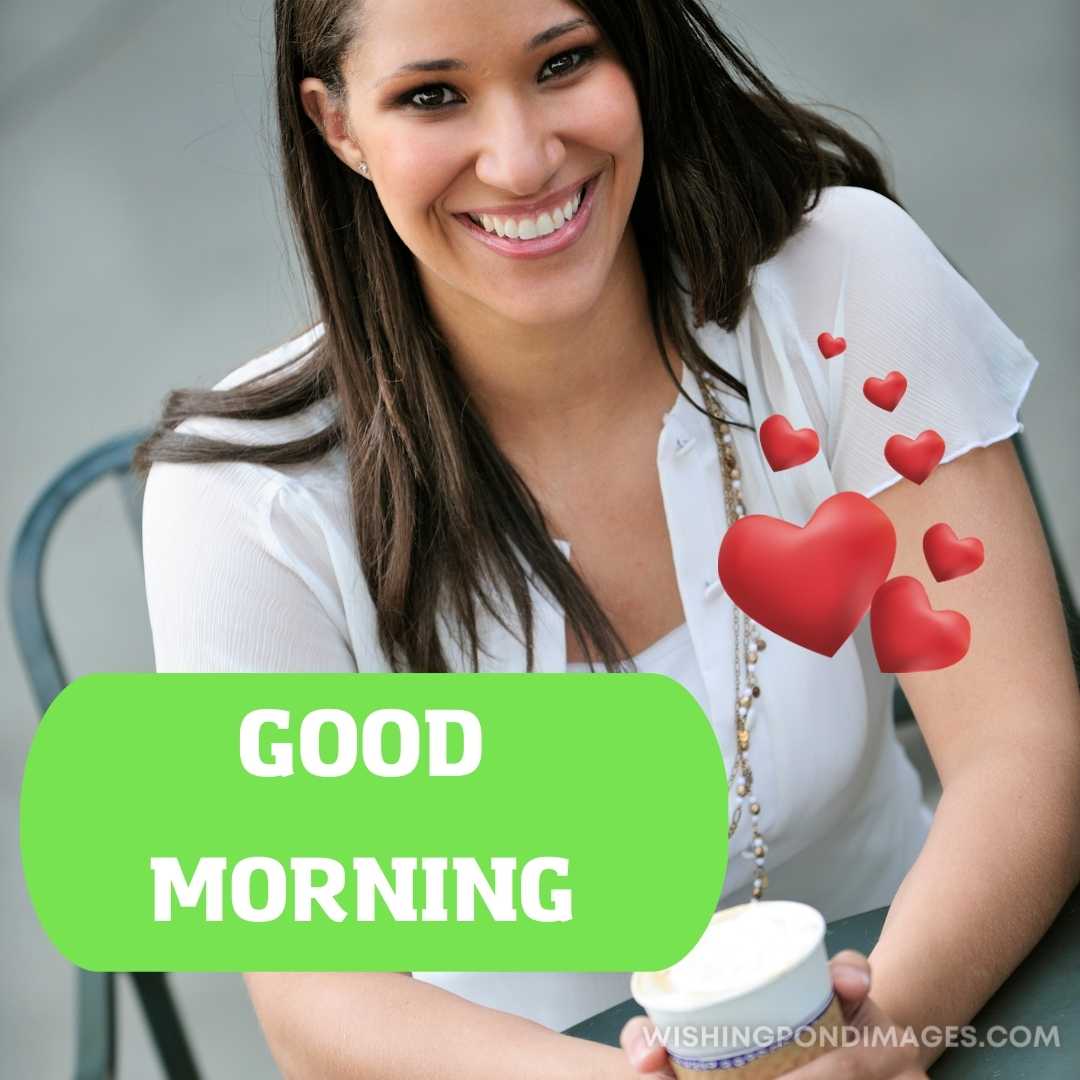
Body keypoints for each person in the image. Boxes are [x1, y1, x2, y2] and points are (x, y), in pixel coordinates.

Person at [135, 1, 1080, 1077]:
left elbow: (1022, 745)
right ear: (338, 124)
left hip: (934, 995)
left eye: (565, 61)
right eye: (432, 95)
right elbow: (315, 996)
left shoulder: (841, 277)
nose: (523, 158)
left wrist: (874, 1043)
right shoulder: (243, 502)